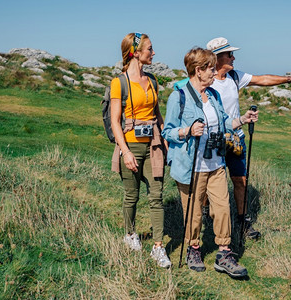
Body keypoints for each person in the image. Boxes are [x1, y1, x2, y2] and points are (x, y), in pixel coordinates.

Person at [206, 37, 291, 239]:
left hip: (236, 139)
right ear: (216, 58)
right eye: (229, 54)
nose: (233, 57)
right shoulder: (206, 81)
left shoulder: (234, 77)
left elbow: (262, 79)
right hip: (215, 141)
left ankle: (242, 222)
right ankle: (208, 215)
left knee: (241, 181)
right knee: (210, 181)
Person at [162, 47, 258, 278]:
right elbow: (168, 132)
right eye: (211, 69)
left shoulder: (213, 96)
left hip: (216, 164)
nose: (215, 73)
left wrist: (243, 119)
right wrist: (187, 130)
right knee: (193, 214)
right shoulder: (180, 96)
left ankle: (224, 254)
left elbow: (224, 123)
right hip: (191, 166)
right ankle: (193, 249)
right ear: (198, 70)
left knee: (223, 209)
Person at [110, 32, 170, 268]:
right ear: (135, 52)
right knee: (131, 196)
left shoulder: (153, 80)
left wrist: (165, 139)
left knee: (156, 196)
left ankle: (158, 247)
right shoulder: (119, 83)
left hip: (153, 144)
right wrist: (125, 152)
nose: (153, 53)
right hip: (131, 144)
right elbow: (115, 121)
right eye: (149, 49)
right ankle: (130, 234)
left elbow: (157, 114)